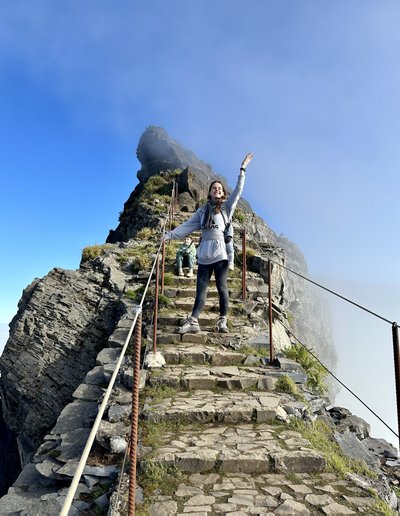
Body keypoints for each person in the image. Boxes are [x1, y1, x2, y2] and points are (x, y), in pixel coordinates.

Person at [162, 152, 253, 334]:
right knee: (201, 289)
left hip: (220, 253)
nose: (217, 190)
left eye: (219, 188)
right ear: (209, 192)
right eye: (214, 188)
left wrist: (242, 169)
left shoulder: (227, 207)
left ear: (223, 192)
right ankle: (194, 322)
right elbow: (187, 226)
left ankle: (222, 321)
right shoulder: (202, 211)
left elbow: (238, 190)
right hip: (204, 252)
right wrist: (168, 236)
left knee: (222, 287)